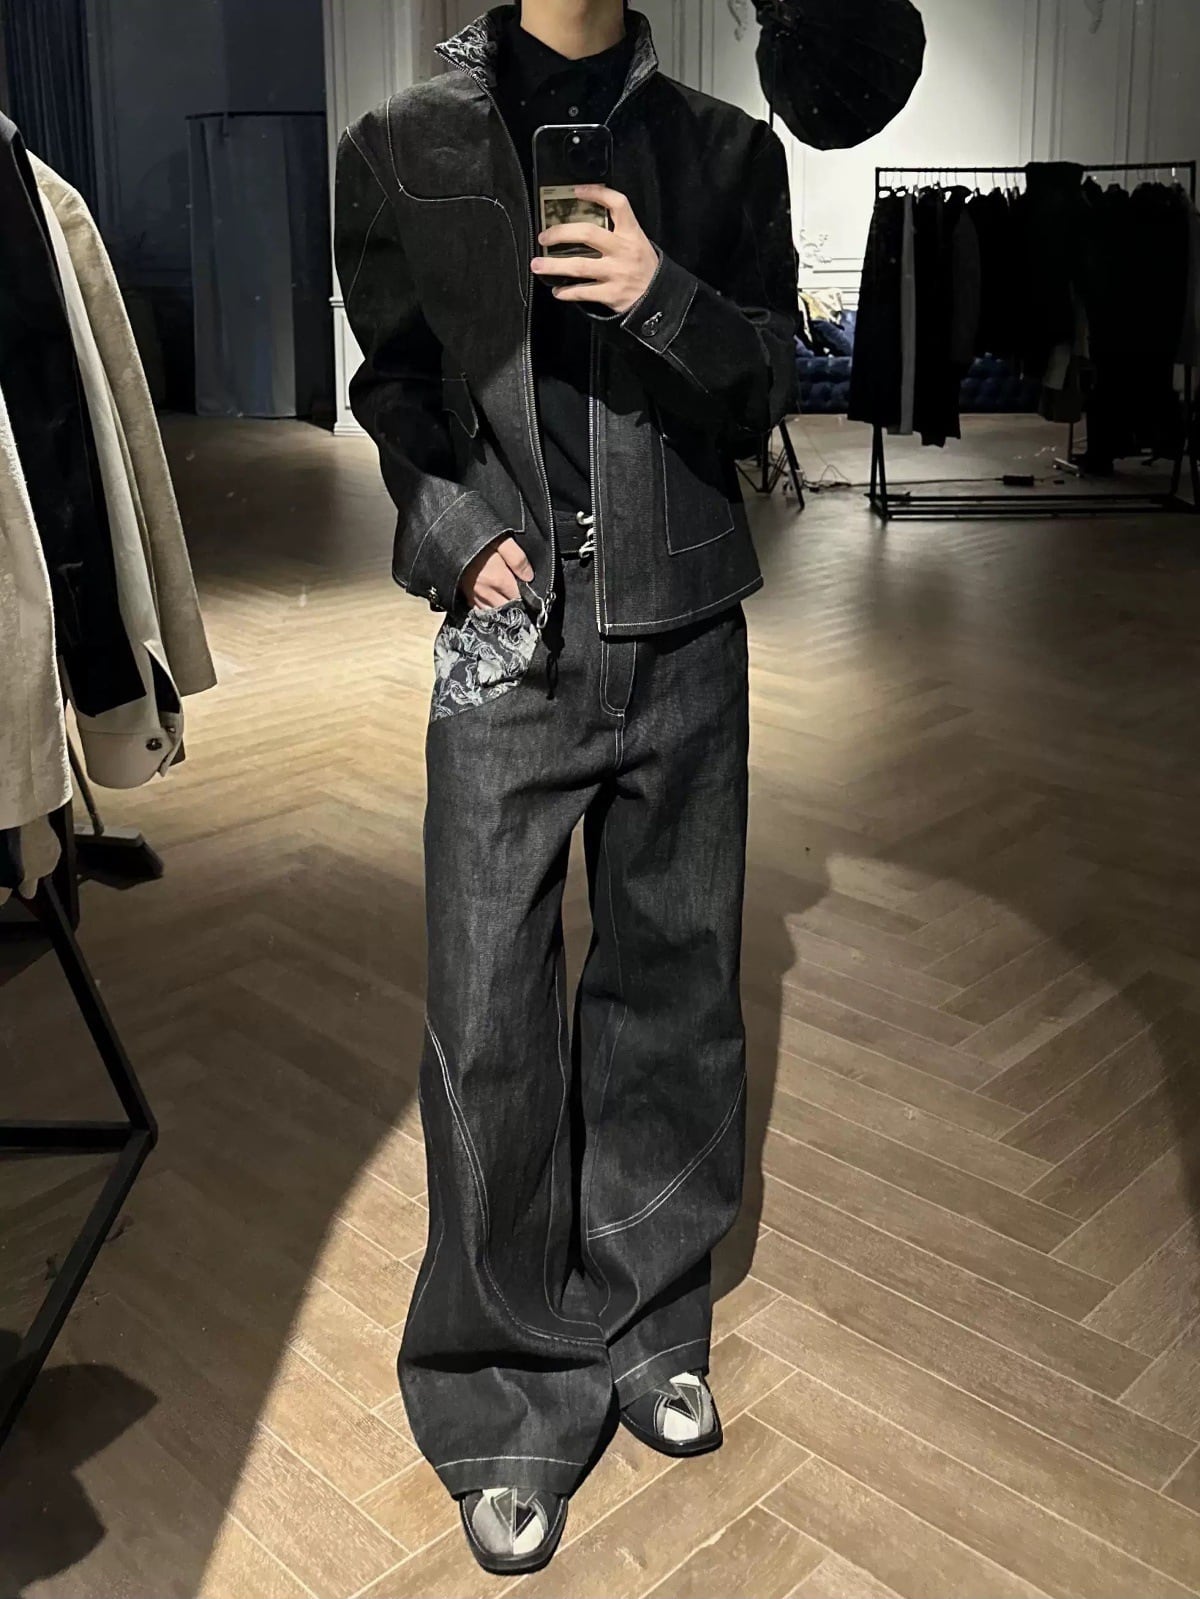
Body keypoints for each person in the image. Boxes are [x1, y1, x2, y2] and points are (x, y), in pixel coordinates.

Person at [334, 0, 797, 1574]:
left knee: (675, 985)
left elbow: (767, 385)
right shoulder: (402, 147)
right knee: (485, 1019)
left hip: (686, 627)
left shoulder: (725, 154)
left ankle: (653, 1310)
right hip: (507, 631)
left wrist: (665, 295)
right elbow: (395, 387)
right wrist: (455, 533)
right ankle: (502, 1387)